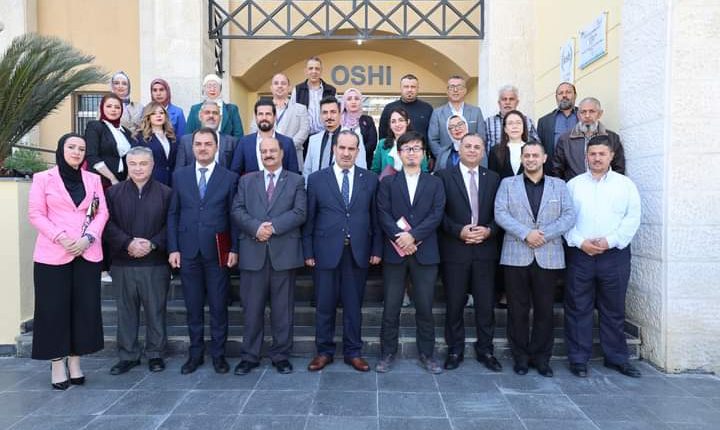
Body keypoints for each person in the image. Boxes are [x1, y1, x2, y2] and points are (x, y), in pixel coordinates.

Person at [28, 133, 109, 389]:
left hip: (87, 252)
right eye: (71, 147)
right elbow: (36, 214)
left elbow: (101, 212)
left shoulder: (93, 179)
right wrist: (61, 238)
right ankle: (56, 364)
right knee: (53, 310)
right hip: (53, 253)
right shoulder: (43, 178)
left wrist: (88, 238)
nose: (76, 152)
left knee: (83, 309)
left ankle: (75, 362)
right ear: (61, 149)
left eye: (81, 149)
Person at [303, 131, 382, 372]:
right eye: (342, 148)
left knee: (353, 306)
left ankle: (353, 352)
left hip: (357, 252)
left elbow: (375, 218)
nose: (346, 153)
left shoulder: (370, 179)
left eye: (351, 149)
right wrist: (308, 251)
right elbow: (310, 218)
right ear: (334, 149)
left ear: (358, 152)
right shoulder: (317, 179)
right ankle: (323, 352)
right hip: (325, 252)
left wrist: (377, 248)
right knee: (324, 305)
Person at [494, 141, 575, 377]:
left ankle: (541, 359)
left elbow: (569, 215)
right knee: (517, 310)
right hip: (516, 254)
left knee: (544, 310)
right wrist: (525, 233)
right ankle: (520, 358)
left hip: (548, 255)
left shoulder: (559, 186)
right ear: (521, 158)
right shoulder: (507, 184)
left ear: (544, 158)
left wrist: (543, 235)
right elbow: (500, 213)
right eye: (527, 155)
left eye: (535, 155)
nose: (531, 159)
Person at [564, 135, 641, 378]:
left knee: (613, 308)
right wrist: (581, 242)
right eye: (593, 154)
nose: (597, 158)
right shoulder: (573, 185)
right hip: (580, 254)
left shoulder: (625, 185)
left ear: (611, 156)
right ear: (586, 156)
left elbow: (632, 218)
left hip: (614, 255)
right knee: (578, 307)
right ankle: (579, 359)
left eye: (602, 154)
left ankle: (616, 358)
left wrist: (610, 241)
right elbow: (564, 219)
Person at [231, 137, 307, 375]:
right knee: (251, 309)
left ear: (282, 153)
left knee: (283, 310)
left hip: (284, 254)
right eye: (264, 151)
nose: (268, 154)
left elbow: (300, 212)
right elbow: (237, 210)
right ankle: (249, 356)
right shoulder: (246, 180)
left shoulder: (296, 180)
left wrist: (272, 227)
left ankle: (281, 355)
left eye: (272, 150)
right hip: (253, 252)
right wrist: (256, 228)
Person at [167, 127, 239, 375]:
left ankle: (219, 356)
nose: (203, 148)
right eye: (198, 144)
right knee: (193, 307)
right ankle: (195, 354)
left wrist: (234, 248)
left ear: (216, 147)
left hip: (218, 251)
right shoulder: (180, 176)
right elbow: (173, 214)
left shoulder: (229, 177)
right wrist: (173, 248)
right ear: (192, 147)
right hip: (188, 251)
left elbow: (234, 216)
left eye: (208, 144)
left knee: (219, 307)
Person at [376, 131, 445, 374]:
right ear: (399, 154)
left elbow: (437, 214)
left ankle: (427, 354)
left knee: (425, 307)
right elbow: (383, 213)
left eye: (416, 148)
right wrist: (401, 237)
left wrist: (413, 236)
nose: (412, 153)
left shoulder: (435, 183)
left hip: (425, 253)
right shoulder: (387, 182)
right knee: (391, 307)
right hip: (395, 253)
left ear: (424, 154)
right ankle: (387, 353)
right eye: (407, 149)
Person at [435, 133, 502, 372]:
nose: (472, 150)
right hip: (455, 250)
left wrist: (489, 231)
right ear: (459, 150)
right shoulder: (443, 177)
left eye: (477, 147)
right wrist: (459, 231)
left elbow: (501, 213)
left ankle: (486, 350)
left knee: (485, 305)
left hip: (485, 250)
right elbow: (438, 213)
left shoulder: (494, 178)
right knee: (454, 303)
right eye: (468, 146)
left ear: (483, 152)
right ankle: (455, 349)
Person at [104, 147, 173, 375]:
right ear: (127, 165)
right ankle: (128, 355)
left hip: (155, 263)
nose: (138, 168)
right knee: (125, 312)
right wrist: (128, 243)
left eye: (143, 164)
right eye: (133, 164)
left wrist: (152, 244)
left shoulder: (166, 193)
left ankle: (156, 354)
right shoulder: (113, 193)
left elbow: (171, 225)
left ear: (152, 165)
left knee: (156, 311)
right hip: (123, 262)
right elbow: (106, 224)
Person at [552, 97, 626, 181]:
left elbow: (619, 168)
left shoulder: (612, 138)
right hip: (574, 187)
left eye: (592, 111)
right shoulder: (565, 140)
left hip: (605, 187)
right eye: (583, 112)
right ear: (578, 115)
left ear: (600, 114)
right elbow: (557, 170)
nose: (587, 116)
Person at [428, 75, 486, 170]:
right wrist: (443, 156)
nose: (455, 90)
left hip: (473, 161)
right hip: (447, 164)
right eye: (452, 87)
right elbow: (433, 139)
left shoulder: (476, 111)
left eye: (459, 87)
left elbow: (482, 137)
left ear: (465, 90)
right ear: (447, 91)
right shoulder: (437, 113)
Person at [251, 73, 309, 166]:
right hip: (266, 157)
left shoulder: (300, 109)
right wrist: (268, 148)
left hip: (292, 156)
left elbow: (304, 131)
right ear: (271, 88)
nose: (280, 86)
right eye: (276, 83)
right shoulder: (262, 108)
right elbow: (254, 129)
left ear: (289, 87)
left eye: (283, 83)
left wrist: (286, 147)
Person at [230, 98, 300, 176]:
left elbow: (294, 175)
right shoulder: (244, 142)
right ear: (255, 117)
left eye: (268, 114)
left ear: (275, 117)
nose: (264, 118)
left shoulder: (287, 143)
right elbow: (234, 173)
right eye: (260, 114)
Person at [304, 96, 367, 176]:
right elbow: (307, 170)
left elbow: (361, 167)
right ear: (320, 115)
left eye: (333, 112)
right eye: (325, 112)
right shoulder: (313, 140)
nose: (329, 116)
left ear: (340, 114)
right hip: (316, 183)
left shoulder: (354, 137)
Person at [84, 93, 135, 188]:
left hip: (122, 182)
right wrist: (113, 179)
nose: (113, 110)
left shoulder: (126, 132)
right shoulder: (95, 126)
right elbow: (91, 156)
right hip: (100, 181)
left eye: (117, 107)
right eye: (109, 106)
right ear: (102, 108)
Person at [175, 101, 238, 169]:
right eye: (207, 112)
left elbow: (235, 171)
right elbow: (179, 170)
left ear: (220, 118)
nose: (211, 116)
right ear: (200, 117)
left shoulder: (232, 142)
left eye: (215, 113)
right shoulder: (185, 141)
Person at [371, 106, 429, 175]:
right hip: (386, 181)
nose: (397, 124)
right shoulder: (382, 144)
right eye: (393, 121)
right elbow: (375, 171)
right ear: (390, 125)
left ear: (407, 122)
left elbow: (424, 171)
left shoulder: (417, 143)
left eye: (401, 120)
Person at [290, 56, 337, 139]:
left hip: (326, 135)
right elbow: (292, 114)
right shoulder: (298, 90)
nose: (314, 71)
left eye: (317, 69)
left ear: (321, 71)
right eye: (310, 68)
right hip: (303, 138)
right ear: (306, 71)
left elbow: (336, 114)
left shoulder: (331, 90)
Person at [186, 74, 244, 138]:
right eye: (209, 86)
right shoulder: (195, 109)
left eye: (215, 86)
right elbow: (189, 134)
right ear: (204, 89)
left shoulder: (232, 109)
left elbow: (238, 135)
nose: (212, 89)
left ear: (220, 89)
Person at [485, 85, 539, 152]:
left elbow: (537, 145)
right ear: (499, 103)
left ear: (517, 102)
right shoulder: (488, 122)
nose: (507, 102)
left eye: (511, 99)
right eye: (504, 99)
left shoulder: (527, 121)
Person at [378, 74, 434, 139]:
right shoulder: (389, 108)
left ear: (418, 88)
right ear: (401, 88)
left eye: (413, 87)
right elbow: (382, 134)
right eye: (406, 87)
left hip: (422, 145)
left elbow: (433, 135)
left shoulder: (427, 108)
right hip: (394, 145)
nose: (409, 90)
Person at [135, 101, 177, 186]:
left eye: (161, 113)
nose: (159, 115)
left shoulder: (171, 136)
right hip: (151, 181)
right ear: (148, 117)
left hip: (171, 181)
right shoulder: (140, 137)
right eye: (153, 113)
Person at [537, 82, 578, 166]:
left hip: (580, 169)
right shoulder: (544, 122)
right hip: (554, 170)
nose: (564, 95)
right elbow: (540, 150)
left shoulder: (585, 117)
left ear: (575, 95)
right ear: (556, 97)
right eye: (560, 93)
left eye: (568, 92)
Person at [341, 87, 378, 168]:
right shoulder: (339, 120)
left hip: (364, 163)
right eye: (349, 99)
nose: (353, 102)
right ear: (344, 102)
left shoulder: (367, 120)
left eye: (356, 99)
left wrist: (355, 153)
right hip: (341, 162)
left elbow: (372, 143)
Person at [488, 110, 529, 179]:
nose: (515, 126)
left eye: (518, 123)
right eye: (510, 123)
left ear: (523, 127)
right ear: (505, 129)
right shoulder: (495, 150)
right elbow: (492, 179)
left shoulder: (532, 149)